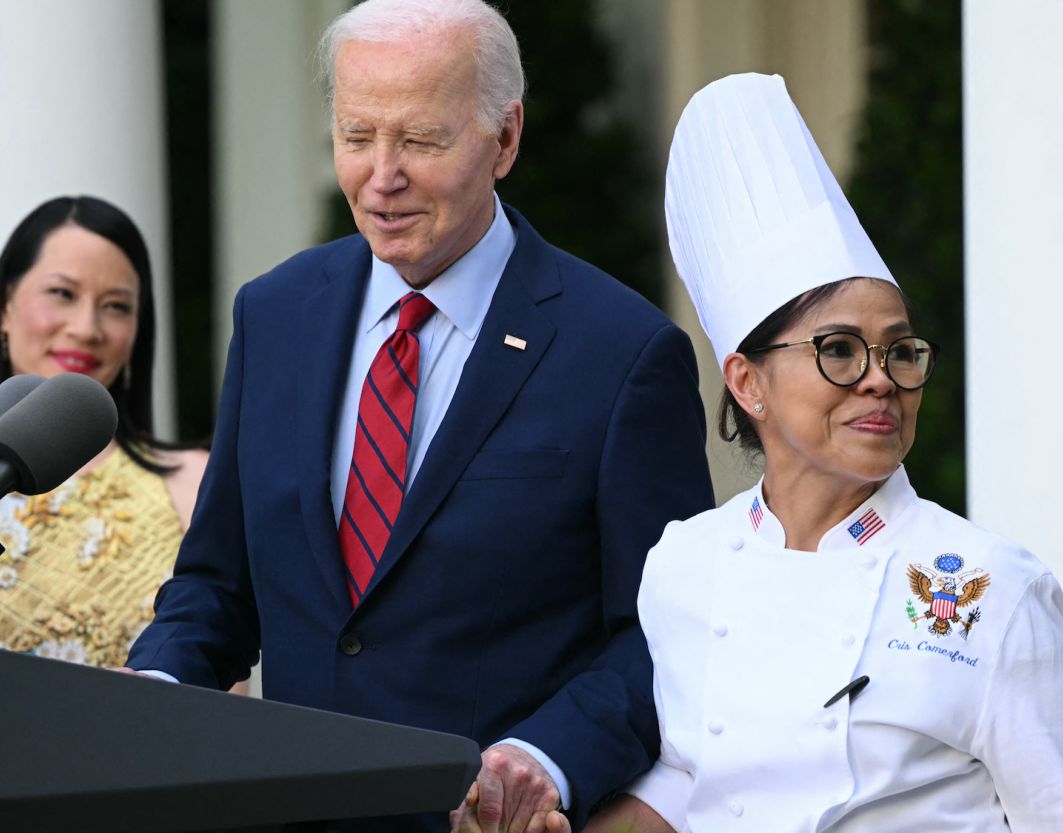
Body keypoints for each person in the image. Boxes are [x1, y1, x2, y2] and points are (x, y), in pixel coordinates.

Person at [123, 1, 715, 830]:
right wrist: (152, 694)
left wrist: (543, 759)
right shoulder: (276, 314)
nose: (381, 174)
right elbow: (219, 586)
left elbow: (666, 636)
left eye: (421, 140)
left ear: (505, 138)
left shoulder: (621, 353)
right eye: (357, 136)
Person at [576, 73, 1063, 832]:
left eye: (900, 351)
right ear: (748, 382)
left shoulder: (998, 588)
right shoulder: (683, 564)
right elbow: (693, 775)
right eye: (839, 349)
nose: (880, 380)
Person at [0, 195, 213, 672]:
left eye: (116, 306)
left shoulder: (194, 485)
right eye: (62, 294)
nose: (86, 328)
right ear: (6, 308)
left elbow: (214, 695)